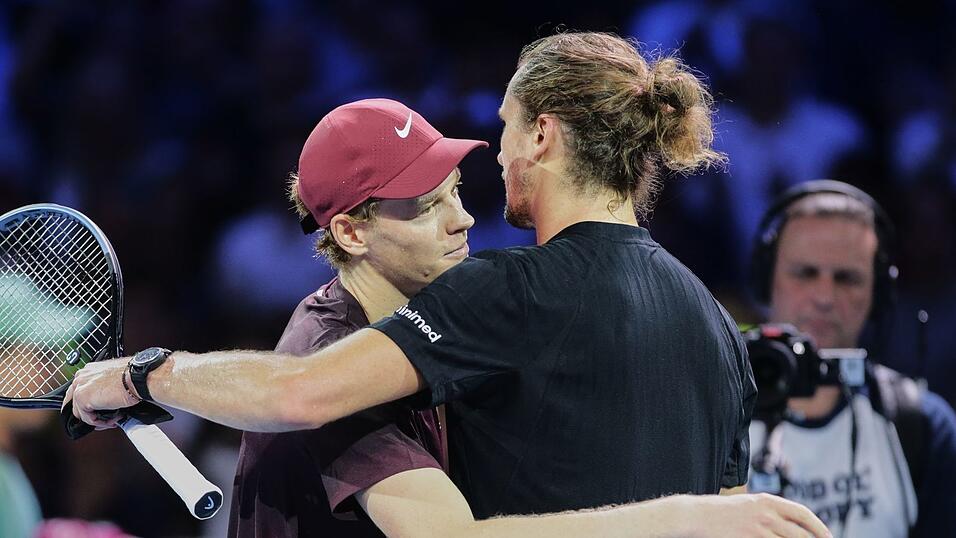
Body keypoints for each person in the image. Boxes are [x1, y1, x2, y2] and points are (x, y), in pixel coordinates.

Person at [70, 33, 829, 537]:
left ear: (542, 135)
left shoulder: (498, 294)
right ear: (350, 233)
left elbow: (302, 398)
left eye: (502, 129)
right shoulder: (715, 327)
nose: (472, 203)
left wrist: (142, 374)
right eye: (428, 201)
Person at [746, 179, 956, 537]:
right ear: (768, 281)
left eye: (847, 278)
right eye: (806, 273)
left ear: (879, 293)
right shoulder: (709, 419)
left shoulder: (922, 426)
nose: (825, 296)